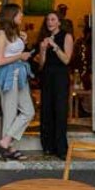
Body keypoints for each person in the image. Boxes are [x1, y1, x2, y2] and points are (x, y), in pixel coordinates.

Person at [0, 3, 34, 161]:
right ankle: (8, 148)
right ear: (11, 16)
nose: (22, 16)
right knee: (10, 113)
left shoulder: (15, 33)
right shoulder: (1, 34)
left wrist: (23, 40)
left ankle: (4, 143)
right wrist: (20, 56)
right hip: (8, 76)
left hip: (20, 75)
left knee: (28, 111)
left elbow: (16, 51)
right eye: (19, 14)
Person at [36, 11, 74, 159]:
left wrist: (55, 46)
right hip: (47, 76)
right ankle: (48, 146)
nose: (49, 22)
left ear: (59, 22)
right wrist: (43, 49)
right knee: (46, 111)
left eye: (53, 19)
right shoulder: (43, 39)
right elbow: (41, 65)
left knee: (60, 111)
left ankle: (61, 148)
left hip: (60, 77)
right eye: (47, 20)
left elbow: (66, 60)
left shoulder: (66, 36)